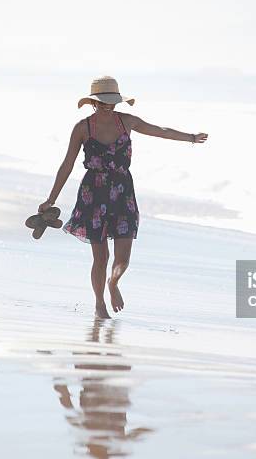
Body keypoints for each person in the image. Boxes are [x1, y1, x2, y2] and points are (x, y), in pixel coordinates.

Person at [38, 76, 208, 319]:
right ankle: (99, 304)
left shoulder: (126, 121)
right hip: (93, 194)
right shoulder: (82, 128)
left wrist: (190, 137)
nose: (109, 106)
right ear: (94, 103)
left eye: (112, 102)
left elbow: (159, 131)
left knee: (123, 258)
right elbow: (67, 165)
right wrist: (51, 199)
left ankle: (113, 283)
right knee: (101, 257)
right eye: (104, 103)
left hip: (123, 192)